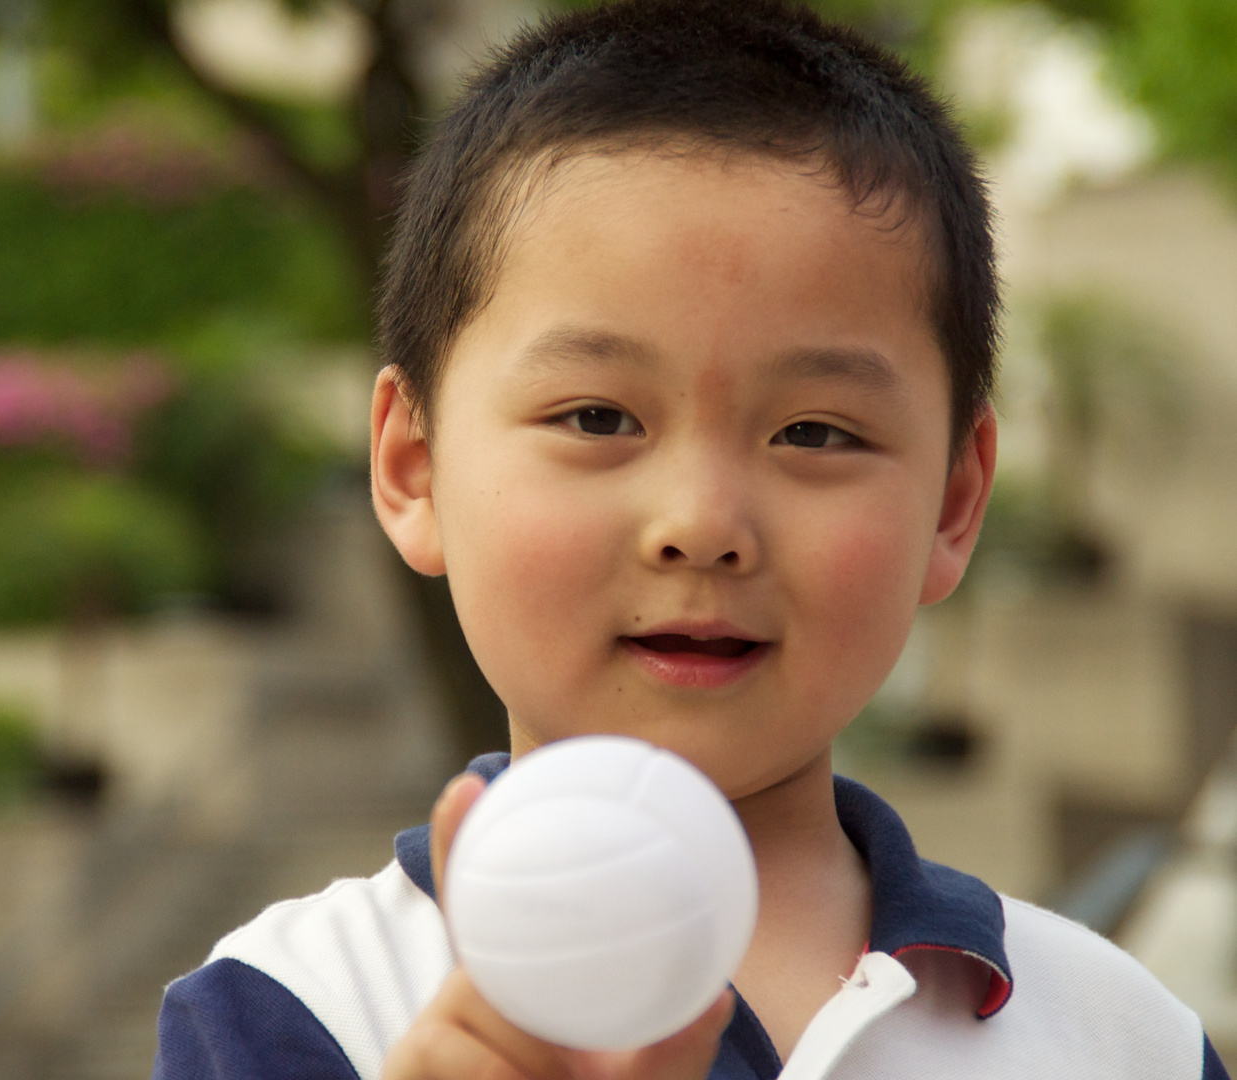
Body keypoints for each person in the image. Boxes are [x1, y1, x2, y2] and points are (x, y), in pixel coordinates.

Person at [152, 1, 1230, 1077]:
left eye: (815, 431)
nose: (703, 527)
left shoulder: (1122, 1037)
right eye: (597, 418)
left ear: (954, 502)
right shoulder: (297, 1009)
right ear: (414, 467)